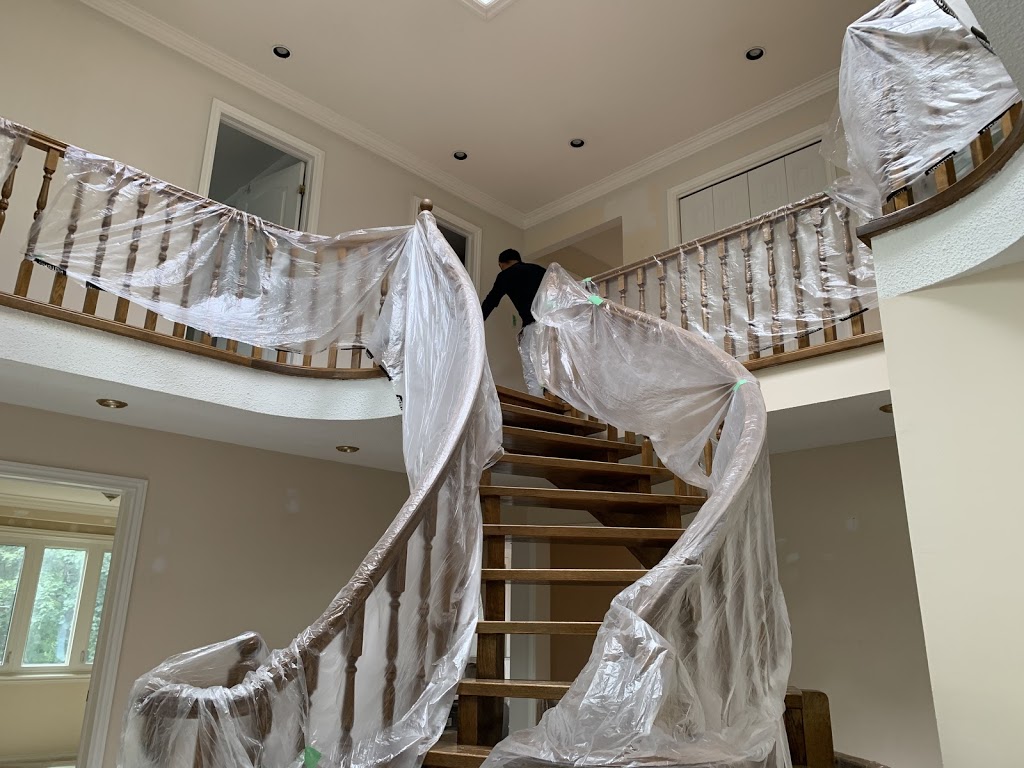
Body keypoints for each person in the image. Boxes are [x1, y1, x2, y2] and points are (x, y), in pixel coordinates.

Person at [481, 249, 547, 396]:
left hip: (533, 325)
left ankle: (538, 401)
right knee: (550, 366)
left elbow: (491, 300)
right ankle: (557, 397)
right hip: (553, 325)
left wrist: (477, 322)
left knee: (532, 369)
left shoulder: (506, 275)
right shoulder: (538, 270)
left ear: (502, 264)